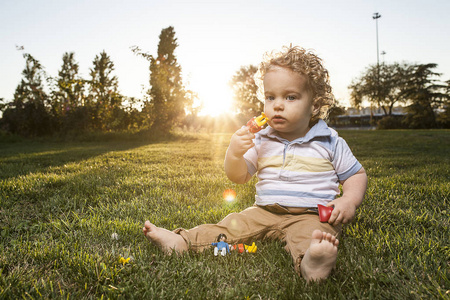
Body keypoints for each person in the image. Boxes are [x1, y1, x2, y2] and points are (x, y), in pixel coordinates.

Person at [143, 45, 368, 282]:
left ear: (314, 105)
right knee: (230, 225)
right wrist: (234, 154)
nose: (277, 105)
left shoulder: (329, 140)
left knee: (313, 237)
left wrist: (347, 200)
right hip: (264, 211)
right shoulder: (261, 139)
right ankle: (182, 241)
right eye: (270, 97)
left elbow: (356, 175)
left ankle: (311, 263)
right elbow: (238, 176)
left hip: (313, 215)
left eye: (290, 97)